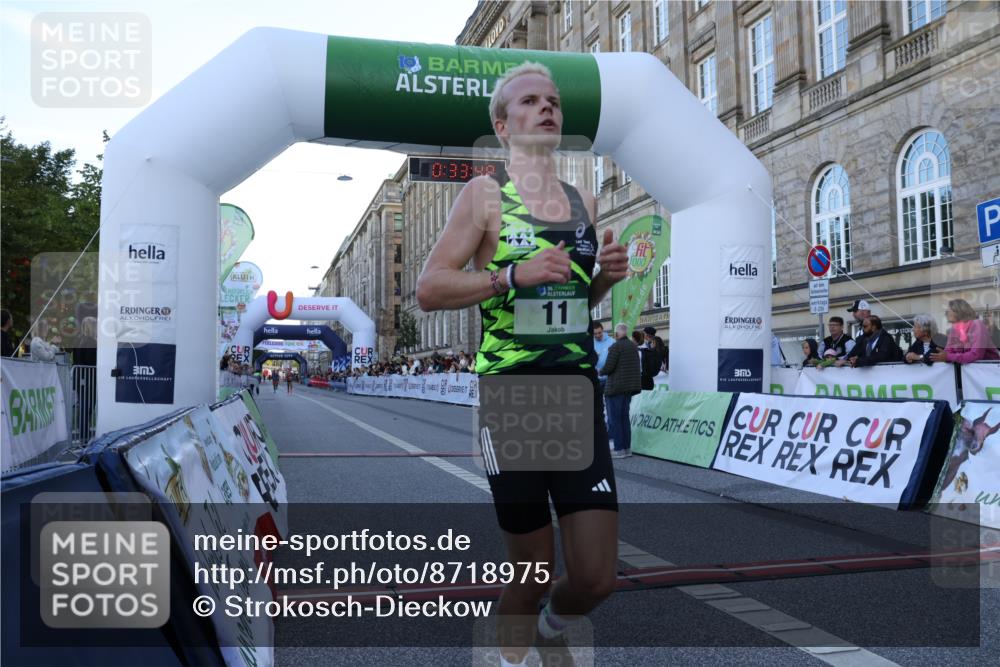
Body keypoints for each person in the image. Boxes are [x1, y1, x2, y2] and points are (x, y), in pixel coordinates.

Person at [415, 62, 628, 667]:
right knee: (532, 571)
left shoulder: (584, 199)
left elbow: (573, 304)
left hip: (577, 395)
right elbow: (430, 289)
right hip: (513, 399)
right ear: (503, 126)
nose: (547, 108)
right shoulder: (484, 195)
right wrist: (510, 273)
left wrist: (603, 282)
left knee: (594, 578)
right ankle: (508, 657)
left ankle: (552, 631)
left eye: (553, 100)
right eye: (530, 101)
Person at [601, 323, 641, 458]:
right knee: (624, 418)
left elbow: (608, 367)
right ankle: (627, 449)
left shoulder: (615, 346)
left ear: (616, 334)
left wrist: (599, 371)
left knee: (615, 419)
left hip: (615, 388)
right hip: (629, 388)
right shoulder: (633, 346)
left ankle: (618, 449)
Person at [929, 299, 1000, 364]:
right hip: (970, 373)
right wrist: (940, 355)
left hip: (989, 372)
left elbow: (976, 355)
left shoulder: (977, 325)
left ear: (959, 311)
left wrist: (948, 357)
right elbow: (948, 351)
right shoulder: (954, 329)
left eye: (949, 310)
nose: (946, 313)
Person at [71, 317, 98, 440]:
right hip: (88, 379)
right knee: (87, 408)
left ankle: (83, 435)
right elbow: (90, 361)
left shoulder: (78, 340)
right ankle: (84, 436)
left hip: (80, 378)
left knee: (84, 407)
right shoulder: (92, 342)